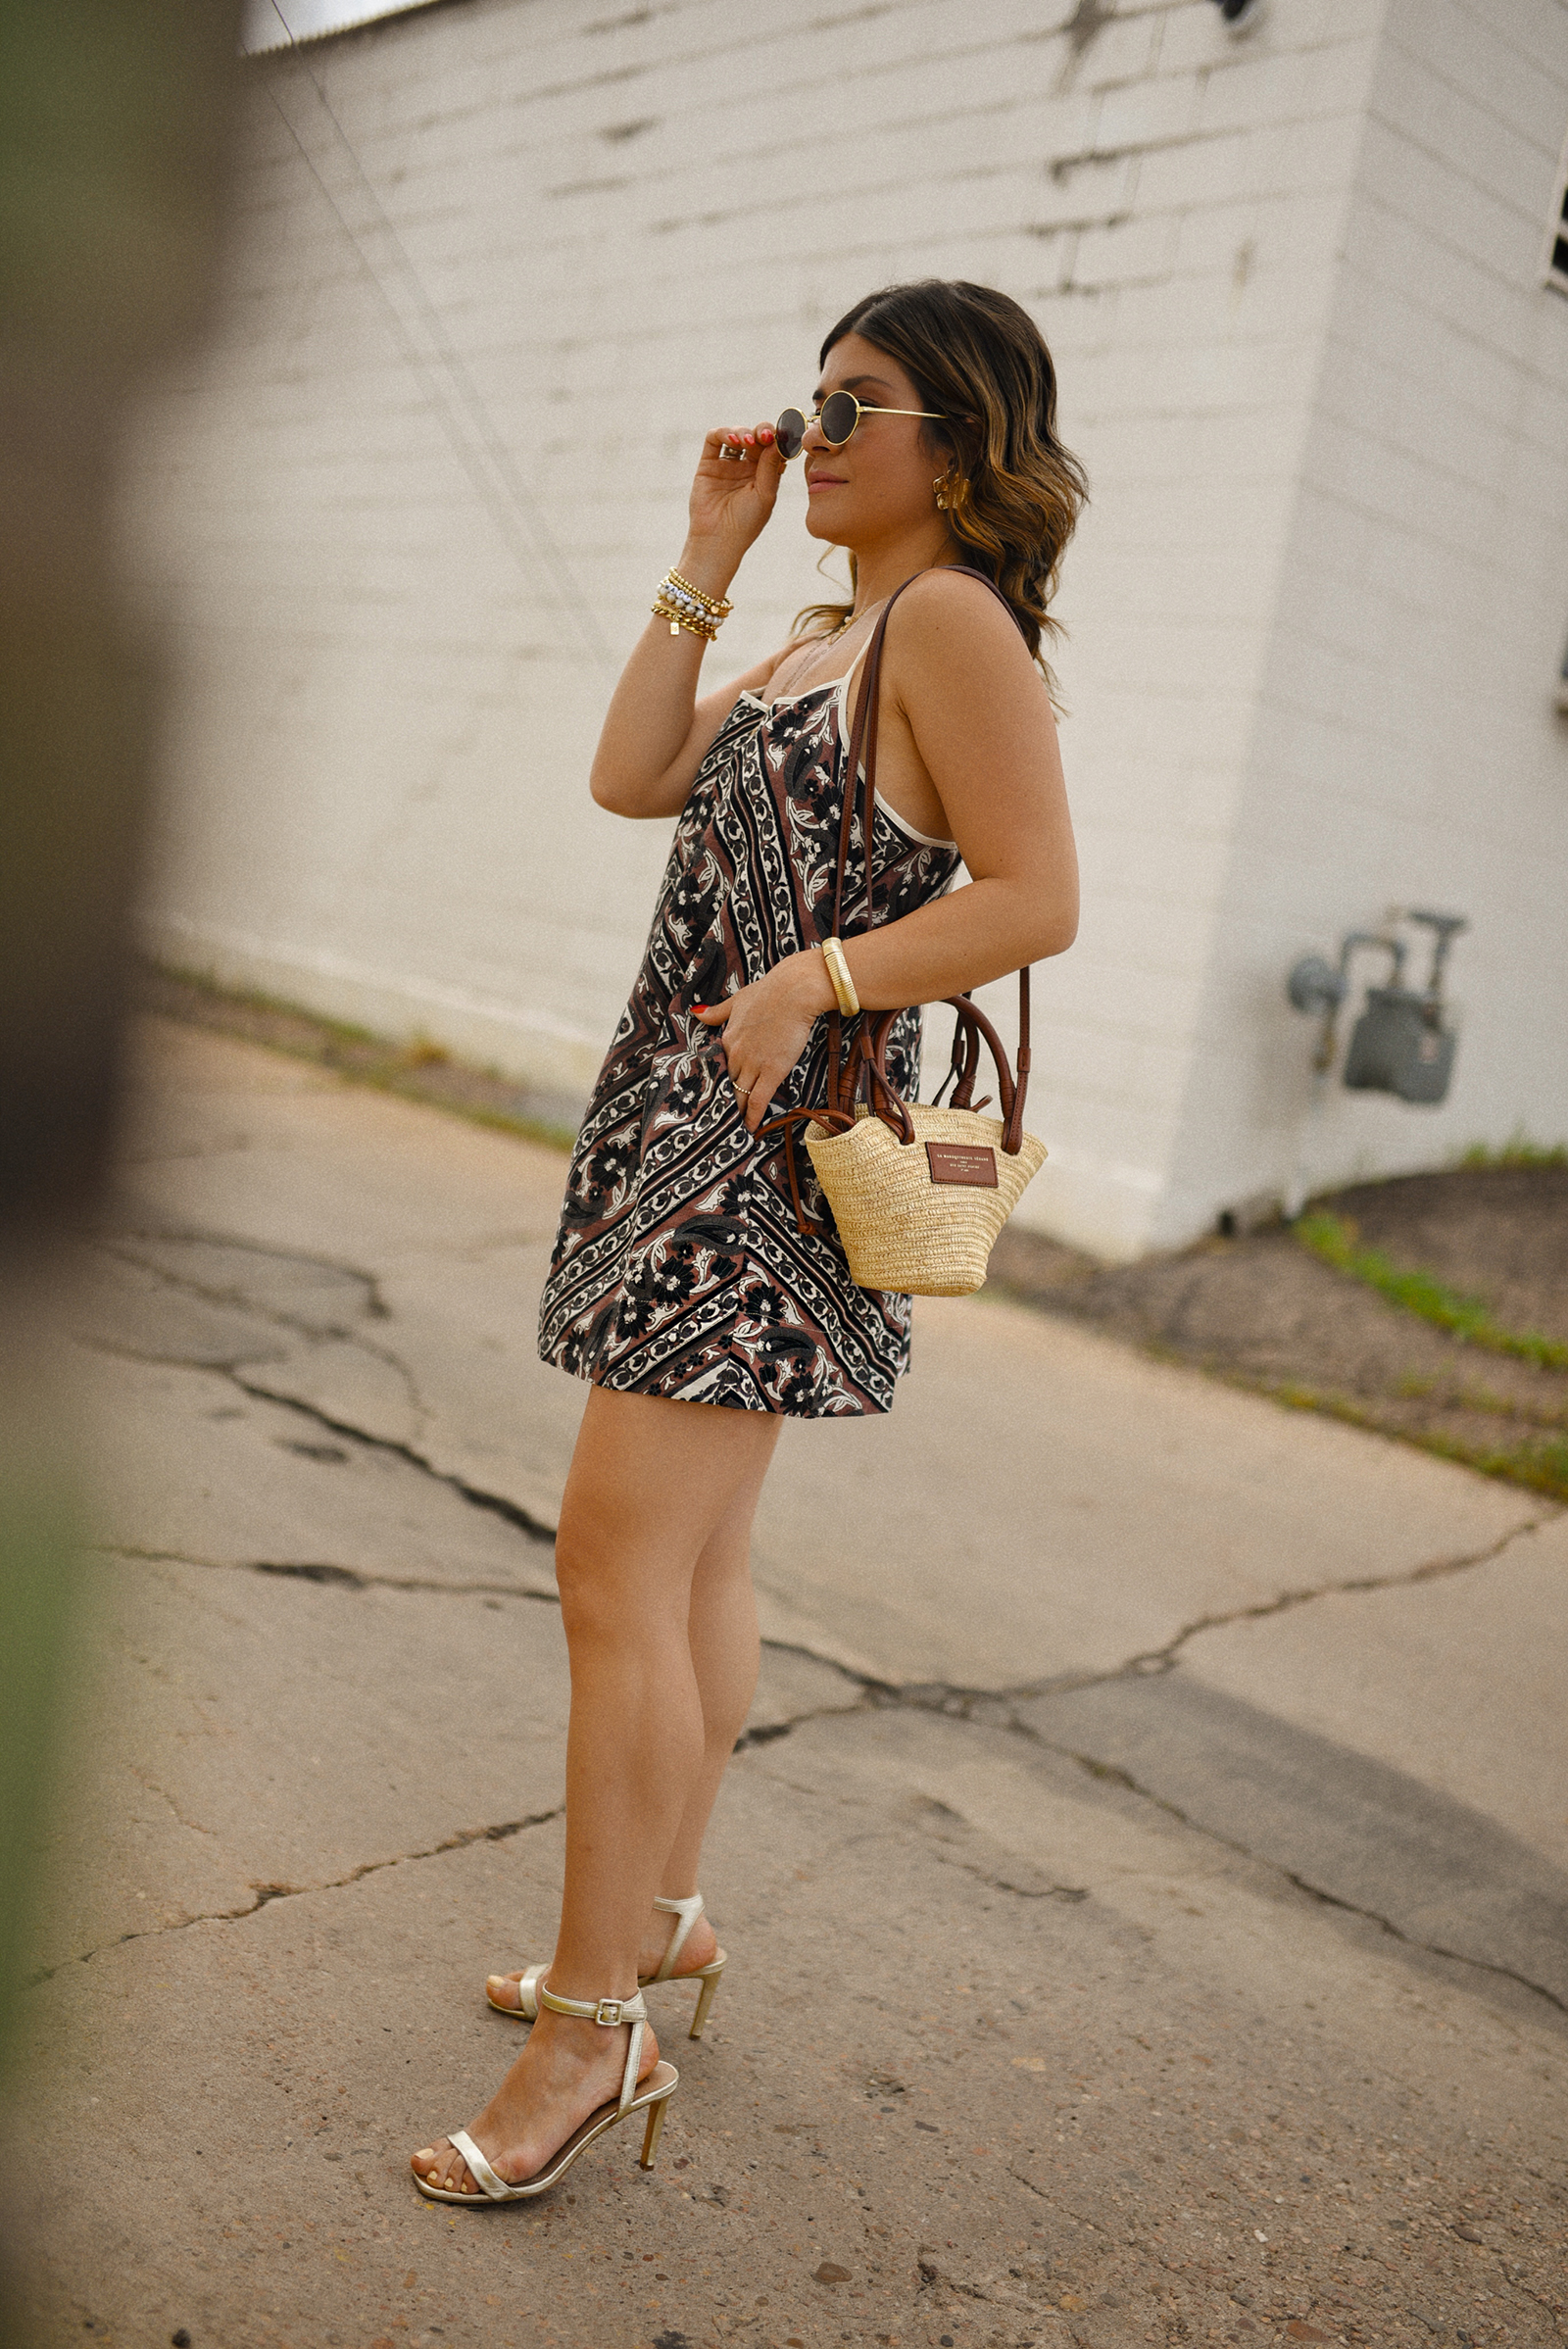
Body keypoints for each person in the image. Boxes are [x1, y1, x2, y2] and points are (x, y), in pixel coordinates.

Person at [411, 278, 1085, 2204]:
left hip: (768, 1165)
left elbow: (1039, 892)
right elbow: (629, 777)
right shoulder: (820, 633)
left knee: (609, 1566)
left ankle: (590, 2028)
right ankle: (664, 1917)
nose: (811, 435)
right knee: (690, 1557)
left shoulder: (949, 625)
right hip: (681, 1131)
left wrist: (821, 966)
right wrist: (702, 555)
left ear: (954, 445)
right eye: (808, 401)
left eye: (851, 408)